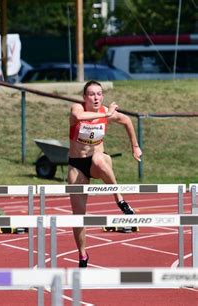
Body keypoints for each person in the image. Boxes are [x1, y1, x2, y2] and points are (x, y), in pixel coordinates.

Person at [68, 80, 142, 268]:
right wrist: (107, 113)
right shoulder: (78, 107)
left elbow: (127, 121)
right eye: (92, 94)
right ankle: (83, 255)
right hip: (77, 164)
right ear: (85, 97)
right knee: (78, 215)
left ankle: (120, 200)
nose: (96, 97)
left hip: (98, 161)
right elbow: (78, 116)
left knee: (99, 159)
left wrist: (135, 146)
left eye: (99, 94)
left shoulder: (106, 112)